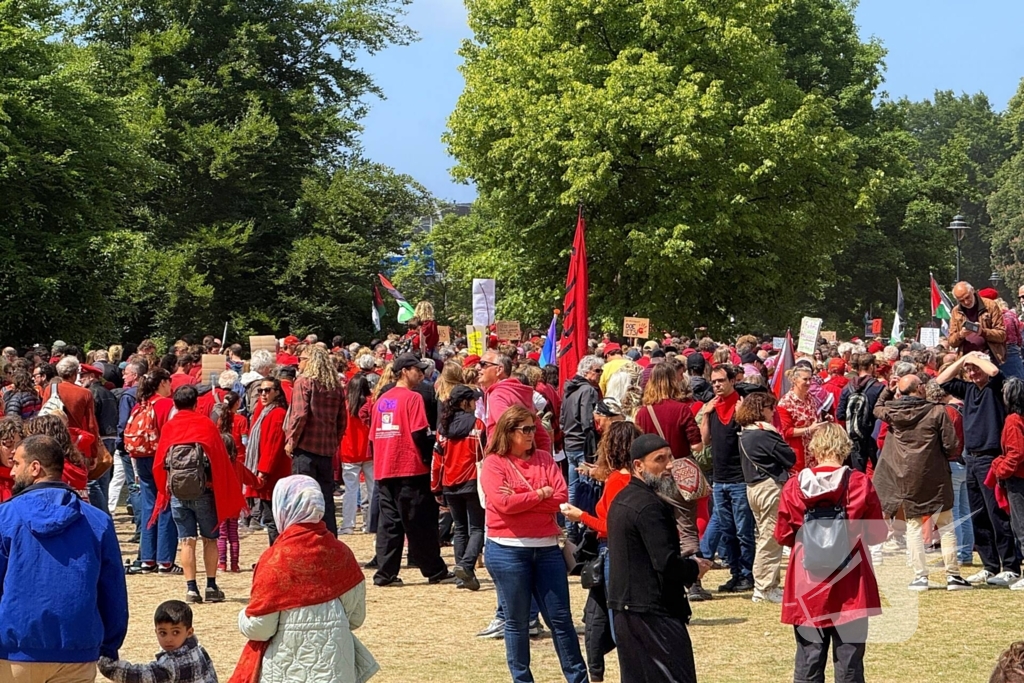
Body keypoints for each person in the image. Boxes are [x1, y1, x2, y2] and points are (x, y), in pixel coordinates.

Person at [0, 434, 128, 683]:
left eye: (16, 463)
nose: (12, 471)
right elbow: (113, 589)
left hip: (17, 649)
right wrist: (110, 644)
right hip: (76, 649)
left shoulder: (5, 517)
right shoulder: (97, 521)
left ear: (35, 467)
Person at [231, 475, 379, 683]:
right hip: (336, 668)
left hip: (286, 670)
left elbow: (260, 628)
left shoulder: (275, 559)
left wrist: (241, 617)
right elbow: (355, 617)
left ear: (282, 507)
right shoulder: (341, 553)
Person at [481, 405, 588, 683]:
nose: (532, 434)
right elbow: (503, 505)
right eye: (525, 429)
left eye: (534, 428)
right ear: (509, 431)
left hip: (547, 549)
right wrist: (541, 494)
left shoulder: (543, 458)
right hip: (506, 550)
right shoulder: (494, 463)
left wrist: (525, 499)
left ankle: (579, 679)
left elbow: (561, 498)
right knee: (517, 622)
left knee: (561, 620)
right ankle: (522, 680)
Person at [775, 424, 887, 683]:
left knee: (808, 656)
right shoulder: (859, 482)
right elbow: (877, 533)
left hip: (807, 578)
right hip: (851, 580)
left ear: (815, 449)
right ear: (844, 448)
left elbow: (783, 535)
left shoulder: (794, 486)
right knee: (849, 659)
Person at [607, 433, 713, 683]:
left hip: (628, 611)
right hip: (652, 613)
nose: (668, 466)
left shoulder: (624, 499)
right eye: (659, 460)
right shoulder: (649, 506)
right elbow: (666, 562)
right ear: (638, 466)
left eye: (670, 458)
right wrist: (694, 569)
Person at [872, 374, 970, 591]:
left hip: (906, 477)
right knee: (946, 525)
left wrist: (889, 389)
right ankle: (953, 575)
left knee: (914, 527)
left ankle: (920, 576)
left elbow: (877, 407)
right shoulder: (937, 411)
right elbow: (951, 444)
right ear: (920, 389)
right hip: (935, 475)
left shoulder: (894, 412)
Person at [152, 386, 247, 603]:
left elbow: (159, 461)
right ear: (195, 403)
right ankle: (211, 586)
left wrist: (165, 488)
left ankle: (191, 589)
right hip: (204, 491)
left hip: (178, 491)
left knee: (187, 541)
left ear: (175, 404)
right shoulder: (206, 424)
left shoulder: (170, 427)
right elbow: (220, 460)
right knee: (210, 539)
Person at [562, 421, 640, 682]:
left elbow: (611, 525)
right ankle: (597, 673)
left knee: (616, 620)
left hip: (613, 553)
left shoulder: (618, 480)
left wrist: (581, 516)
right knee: (597, 619)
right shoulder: (627, 478)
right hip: (617, 554)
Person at [939, 351, 1021, 586]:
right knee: (979, 516)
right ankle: (990, 566)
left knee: (997, 515)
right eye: (970, 371)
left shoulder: (996, 387)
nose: (973, 373)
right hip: (971, 459)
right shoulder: (968, 389)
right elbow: (941, 381)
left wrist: (976, 359)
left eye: (976, 369)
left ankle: (1011, 566)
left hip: (991, 457)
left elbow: (994, 371)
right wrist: (962, 360)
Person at [369, 353, 451, 587]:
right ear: (405, 371)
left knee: (389, 525)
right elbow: (419, 433)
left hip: (385, 469)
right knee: (421, 524)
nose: (422, 374)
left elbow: (373, 437)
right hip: (410, 468)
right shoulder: (412, 398)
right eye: (418, 369)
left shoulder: (381, 399)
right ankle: (435, 571)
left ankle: (385, 574)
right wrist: (430, 458)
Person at [698, 364, 755, 593]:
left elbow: (750, 436)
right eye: (714, 382)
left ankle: (746, 574)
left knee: (743, 530)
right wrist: (706, 414)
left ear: (732, 380)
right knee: (727, 529)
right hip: (719, 479)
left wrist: (742, 414)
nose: (717, 385)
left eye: (721, 380)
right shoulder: (712, 407)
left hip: (739, 478)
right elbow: (706, 441)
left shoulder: (742, 405)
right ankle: (734, 573)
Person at [736, 391, 796, 604]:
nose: (773, 412)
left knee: (765, 536)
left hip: (754, 488)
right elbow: (789, 457)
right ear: (761, 409)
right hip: (769, 487)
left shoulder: (746, 433)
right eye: (771, 408)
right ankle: (764, 587)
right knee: (770, 538)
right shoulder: (763, 433)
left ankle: (768, 584)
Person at [286, 346, 347, 536]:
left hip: (305, 448)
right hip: (326, 451)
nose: (299, 363)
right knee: (325, 499)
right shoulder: (335, 386)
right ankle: (329, 540)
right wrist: (333, 442)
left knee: (303, 499)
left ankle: (304, 539)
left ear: (310, 361)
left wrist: (291, 440)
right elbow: (342, 420)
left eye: (302, 359)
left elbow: (299, 415)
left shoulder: (304, 382)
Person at [433, 384, 486, 591]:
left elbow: (436, 461)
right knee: (477, 528)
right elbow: (484, 456)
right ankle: (465, 566)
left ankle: (461, 575)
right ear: (465, 403)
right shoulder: (478, 425)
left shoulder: (442, 428)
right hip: (472, 481)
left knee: (460, 529)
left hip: (449, 483)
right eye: (473, 400)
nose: (476, 403)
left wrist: (436, 487)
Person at [128, 369, 179, 574]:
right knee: (165, 505)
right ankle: (165, 560)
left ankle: (148, 558)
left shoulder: (140, 405)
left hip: (141, 458)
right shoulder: (167, 405)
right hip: (161, 459)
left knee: (149, 505)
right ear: (163, 383)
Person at [97, 601, 215, 683]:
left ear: (189, 632)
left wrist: (107, 666)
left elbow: (139, 676)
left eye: (175, 632)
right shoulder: (197, 649)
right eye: (163, 633)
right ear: (156, 632)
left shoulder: (172, 663)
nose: (169, 639)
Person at [561, 354, 604, 541]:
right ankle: (584, 531)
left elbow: (563, 418)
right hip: (582, 444)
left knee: (573, 488)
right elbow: (588, 420)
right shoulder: (588, 390)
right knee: (586, 488)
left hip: (570, 442)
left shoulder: (569, 388)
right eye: (597, 371)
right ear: (587, 372)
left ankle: (571, 530)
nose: (600, 374)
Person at [247, 378, 289, 545]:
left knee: (273, 520)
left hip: (273, 476)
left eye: (267, 390)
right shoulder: (264, 412)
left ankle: (277, 555)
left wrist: (263, 471)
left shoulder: (277, 413)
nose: (263, 394)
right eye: (260, 391)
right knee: (269, 518)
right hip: (267, 474)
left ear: (277, 392)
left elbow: (273, 445)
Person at [993, 378, 1024, 591]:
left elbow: (1017, 452)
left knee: (1021, 528)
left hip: (1018, 479)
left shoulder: (1013, 420)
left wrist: (999, 467)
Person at [80, 363, 119, 513]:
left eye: (83, 376)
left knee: (94, 480)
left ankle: (101, 513)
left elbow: (91, 419)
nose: (81, 379)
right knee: (104, 480)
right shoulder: (108, 392)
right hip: (110, 437)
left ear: (91, 377)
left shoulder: (91, 393)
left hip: (100, 438)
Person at [837, 353, 885, 473]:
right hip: (874, 435)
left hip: (854, 437)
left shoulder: (847, 388)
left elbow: (840, 414)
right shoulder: (879, 387)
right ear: (871, 366)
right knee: (877, 472)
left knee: (857, 474)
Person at [340, 374, 374, 535]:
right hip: (368, 451)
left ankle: (348, 524)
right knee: (373, 489)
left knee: (350, 490)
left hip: (349, 451)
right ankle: (371, 523)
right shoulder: (371, 402)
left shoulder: (345, 404)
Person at [777, 366, 829, 471]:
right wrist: (808, 430)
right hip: (798, 454)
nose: (809, 383)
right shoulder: (785, 403)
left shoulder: (811, 398)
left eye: (810, 379)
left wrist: (823, 420)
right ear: (794, 380)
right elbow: (786, 431)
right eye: (805, 379)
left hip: (814, 451)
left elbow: (814, 420)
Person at [949, 281, 1006, 364]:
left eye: (967, 297)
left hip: (989, 358)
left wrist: (982, 332)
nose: (966, 302)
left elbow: (1002, 335)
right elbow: (951, 342)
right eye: (961, 300)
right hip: (967, 360)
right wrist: (961, 334)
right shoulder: (956, 311)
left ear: (972, 290)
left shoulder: (990, 305)